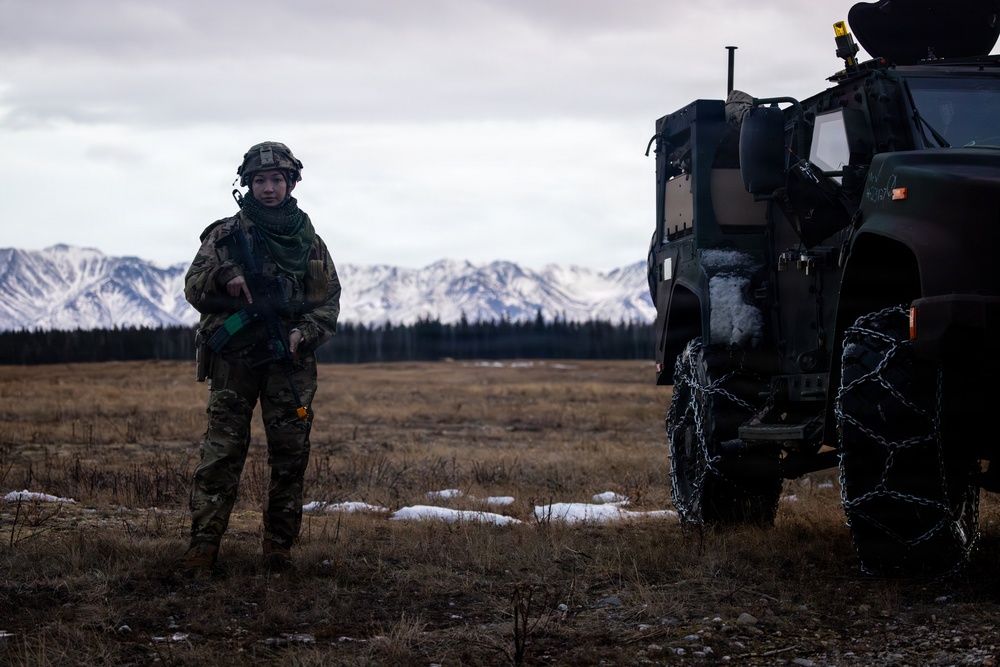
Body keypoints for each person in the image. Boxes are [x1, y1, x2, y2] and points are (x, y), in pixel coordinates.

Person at [182, 141, 341, 574]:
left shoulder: (310, 242)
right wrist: (224, 275)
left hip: (288, 359)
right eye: (259, 180)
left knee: (290, 454)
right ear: (247, 183)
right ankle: (203, 545)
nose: (268, 188)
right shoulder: (226, 234)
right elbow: (193, 287)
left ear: (291, 183)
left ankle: (278, 547)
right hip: (233, 357)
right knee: (221, 452)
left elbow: (328, 304)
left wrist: (301, 333)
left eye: (276, 180)